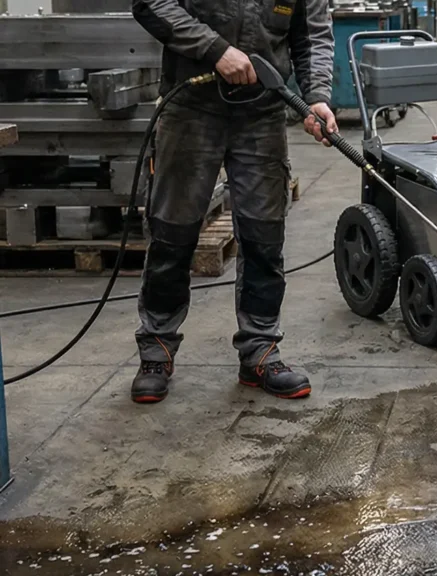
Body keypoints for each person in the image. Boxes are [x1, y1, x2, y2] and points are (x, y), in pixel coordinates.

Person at [130, 0, 339, 403]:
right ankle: (156, 348)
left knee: (264, 236)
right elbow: (150, 3)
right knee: (172, 233)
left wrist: (316, 96)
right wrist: (216, 50)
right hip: (191, 109)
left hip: (262, 113)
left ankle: (259, 349)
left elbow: (312, 34)